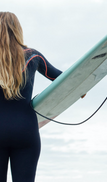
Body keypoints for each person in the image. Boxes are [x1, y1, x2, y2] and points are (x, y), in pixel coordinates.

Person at [0, 12, 62, 182]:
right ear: (17, 30)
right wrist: (82, 89)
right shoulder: (33, 56)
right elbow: (61, 78)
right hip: (25, 131)